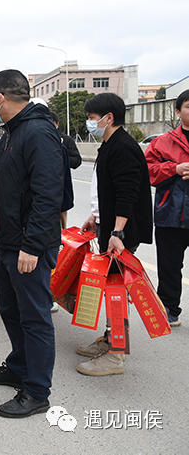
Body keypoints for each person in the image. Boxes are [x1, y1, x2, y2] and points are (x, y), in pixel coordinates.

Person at [0, 69, 63, 418]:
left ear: (0, 98)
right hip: (6, 242)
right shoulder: (13, 134)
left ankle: (36, 391)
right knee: (10, 309)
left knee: (34, 318)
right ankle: (19, 365)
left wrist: (32, 247)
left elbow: (49, 196)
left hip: (29, 246)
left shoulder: (39, 133)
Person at [75, 93, 153, 376]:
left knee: (116, 290)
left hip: (122, 233)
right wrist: (96, 218)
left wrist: (117, 231)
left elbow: (126, 193)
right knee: (112, 288)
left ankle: (115, 354)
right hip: (111, 227)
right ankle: (110, 340)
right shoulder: (109, 144)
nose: (89, 123)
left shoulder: (124, 147)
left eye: (93, 118)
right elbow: (105, 191)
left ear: (109, 117)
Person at [145, 89, 189, 328]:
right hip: (170, 213)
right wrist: (174, 169)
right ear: (178, 111)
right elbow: (148, 172)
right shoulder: (162, 142)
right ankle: (169, 309)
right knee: (170, 266)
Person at [51, 110, 82, 228]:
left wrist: (61, 158)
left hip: (61, 188)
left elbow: (77, 161)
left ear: (57, 124)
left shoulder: (65, 140)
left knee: (61, 227)